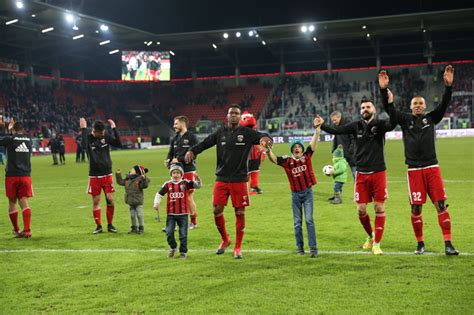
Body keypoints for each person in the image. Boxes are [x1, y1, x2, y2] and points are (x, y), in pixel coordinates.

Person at [378, 66, 459, 256]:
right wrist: (383, 91)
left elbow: (445, 104)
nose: (418, 106)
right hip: (414, 170)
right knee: (416, 207)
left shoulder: (432, 118)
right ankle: (420, 243)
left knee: (440, 205)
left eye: (421, 103)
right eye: (415, 104)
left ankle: (448, 243)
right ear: (410, 106)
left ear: (425, 105)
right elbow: (390, 109)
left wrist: (448, 87)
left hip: (432, 168)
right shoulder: (405, 120)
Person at [185, 104, 272, 259]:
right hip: (222, 178)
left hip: (239, 180)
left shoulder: (247, 133)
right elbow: (205, 143)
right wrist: (192, 150)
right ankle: (225, 239)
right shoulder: (220, 133)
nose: (233, 115)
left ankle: (238, 247)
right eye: (231, 113)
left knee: (239, 212)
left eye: (236, 113)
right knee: (216, 210)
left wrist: (266, 139)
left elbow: (262, 136)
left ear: (240, 117)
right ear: (226, 116)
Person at [317, 97, 396, 255]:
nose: (365, 109)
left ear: (373, 109)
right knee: (361, 209)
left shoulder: (379, 124)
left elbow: (393, 123)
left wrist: (390, 103)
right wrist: (322, 124)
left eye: (368, 107)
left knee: (379, 207)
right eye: (362, 108)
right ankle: (370, 236)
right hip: (361, 173)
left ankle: (377, 244)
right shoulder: (355, 126)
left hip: (378, 172)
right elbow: (336, 130)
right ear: (360, 111)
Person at [265, 117, 321, 257]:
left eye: (299, 147)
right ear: (292, 150)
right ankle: (300, 248)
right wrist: (267, 150)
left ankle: (313, 248)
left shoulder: (307, 157)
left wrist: (318, 130)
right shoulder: (287, 161)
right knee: (297, 223)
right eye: (295, 147)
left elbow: (313, 144)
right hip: (295, 195)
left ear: (302, 149)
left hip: (307, 193)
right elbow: (274, 159)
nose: (297, 148)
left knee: (309, 220)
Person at [80, 118, 122, 234]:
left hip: (107, 174)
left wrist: (114, 128)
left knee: (110, 199)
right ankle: (98, 226)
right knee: (96, 201)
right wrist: (83, 128)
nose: (102, 135)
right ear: (95, 131)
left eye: (103, 132)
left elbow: (119, 143)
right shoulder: (88, 138)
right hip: (94, 176)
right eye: (101, 133)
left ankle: (110, 225)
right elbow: (83, 146)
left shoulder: (106, 136)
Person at [153, 163, 201, 259]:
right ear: (171, 174)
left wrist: (198, 180)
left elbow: (197, 186)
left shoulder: (185, 183)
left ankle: (183, 252)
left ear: (181, 174)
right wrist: (156, 203)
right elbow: (159, 194)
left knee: (183, 234)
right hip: (171, 214)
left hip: (183, 214)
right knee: (169, 232)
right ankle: (173, 247)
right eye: (174, 173)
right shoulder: (167, 184)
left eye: (178, 173)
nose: (175, 175)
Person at [0, 119, 33, 238]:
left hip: (12, 176)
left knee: (12, 202)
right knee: (24, 201)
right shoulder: (29, 140)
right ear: (22, 129)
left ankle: (16, 230)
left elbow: (2, 141)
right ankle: (27, 230)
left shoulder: (10, 139)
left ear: (13, 130)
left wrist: (4, 129)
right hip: (25, 175)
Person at [166, 116, 200, 229]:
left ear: (183, 124)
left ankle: (193, 222)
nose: (174, 126)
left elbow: (195, 152)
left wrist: (179, 159)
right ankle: (176, 223)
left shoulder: (192, 137)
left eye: (176, 124)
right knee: (178, 196)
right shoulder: (174, 139)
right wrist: (167, 160)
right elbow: (171, 152)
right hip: (177, 171)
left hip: (189, 170)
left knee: (188, 196)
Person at [116, 165, 150, 234]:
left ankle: (141, 228)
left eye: (133, 169)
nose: (130, 170)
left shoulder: (140, 179)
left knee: (139, 214)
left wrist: (144, 179)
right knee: (132, 215)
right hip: (130, 201)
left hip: (138, 201)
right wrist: (118, 174)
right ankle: (134, 228)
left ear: (137, 172)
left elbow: (144, 186)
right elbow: (120, 182)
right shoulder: (128, 179)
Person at [239, 112, 265, 194]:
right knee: (246, 173)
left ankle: (254, 187)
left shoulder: (255, 132)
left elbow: (259, 143)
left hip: (256, 157)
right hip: (247, 158)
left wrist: (262, 151)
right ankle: (242, 188)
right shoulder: (241, 133)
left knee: (255, 172)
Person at [328, 111, 356, 181]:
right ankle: (337, 190)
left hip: (351, 154)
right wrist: (334, 149)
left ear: (339, 117)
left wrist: (352, 149)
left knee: (355, 173)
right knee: (340, 175)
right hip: (341, 154)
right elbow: (336, 138)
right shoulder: (336, 126)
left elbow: (353, 137)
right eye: (332, 121)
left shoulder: (348, 124)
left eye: (335, 120)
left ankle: (360, 189)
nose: (333, 122)